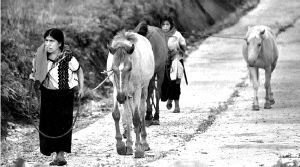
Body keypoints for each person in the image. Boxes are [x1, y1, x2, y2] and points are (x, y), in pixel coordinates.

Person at [31, 28, 84, 166]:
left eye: (52, 41)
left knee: (63, 124)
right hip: (48, 95)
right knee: (48, 125)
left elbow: (79, 71)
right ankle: (54, 154)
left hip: (64, 95)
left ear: (59, 43)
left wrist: (81, 88)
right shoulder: (41, 58)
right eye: (46, 41)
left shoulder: (68, 58)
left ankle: (61, 155)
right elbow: (36, 74)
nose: (48, 44)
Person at [160, 16, 187, 113]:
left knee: (175, 83)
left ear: (171, 25)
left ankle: (177, 106)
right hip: (163, 62)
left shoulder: (177, 34)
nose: (165, 26)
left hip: (176, 60)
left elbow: (183, 46)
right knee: (166, 83)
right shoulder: (159, 35)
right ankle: (169, 99)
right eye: (163, 24)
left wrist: (179, 50)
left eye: (167, 24)